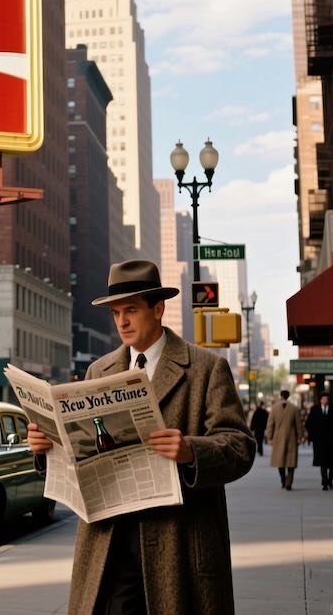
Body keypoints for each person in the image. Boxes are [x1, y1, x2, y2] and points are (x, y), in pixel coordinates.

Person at [28, 259, 255, 615]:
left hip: (177, 547)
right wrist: (47, 448)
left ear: (158, 309)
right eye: (116, 312)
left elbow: (240, 446)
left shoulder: (206, 369)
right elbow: (83, 451)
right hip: (108, 543)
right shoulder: (98, 370)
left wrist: (190, 451)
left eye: (131, 310)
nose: (122, 321)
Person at [305, 391, 333, 490]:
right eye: (324, 399)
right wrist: (312, 436)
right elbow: (309, 424)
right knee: (322, 462)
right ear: (320, 400)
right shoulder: (315, 410)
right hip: (320, 441)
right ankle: (324, 481)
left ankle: (330, 479)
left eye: (327, 399)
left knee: (331, 463)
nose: (325, 401)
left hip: (332, 441)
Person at [266, 389, 304, 490]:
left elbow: (270, 424)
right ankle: (289, 482)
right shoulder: (294, 408)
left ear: (281, 396)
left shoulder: (274, 408)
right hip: (291, 437)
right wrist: (300, 436)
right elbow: (298, 424)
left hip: (278, 437)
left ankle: (283, 480)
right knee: (291, 461)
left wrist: (269, 437)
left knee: (280, 461)